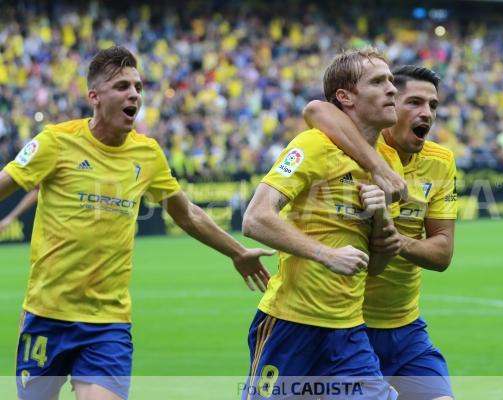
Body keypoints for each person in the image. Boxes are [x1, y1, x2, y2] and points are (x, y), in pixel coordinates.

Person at [0, 45, 274, 400]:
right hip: (45, 315)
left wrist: (237, 252)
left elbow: (187, 214)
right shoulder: (55, 141)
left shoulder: (148, 154)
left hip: (107, 325)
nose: (133, 94)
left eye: (138, 87)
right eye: (122, 87)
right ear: (94, 97)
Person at [240, 48, 402, 399]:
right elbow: (256, 218)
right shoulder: (312, 145)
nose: (392, 89)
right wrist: (324, 254)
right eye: (378, 81)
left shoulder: (389, 166)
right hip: (291, 325)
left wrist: (380, 220)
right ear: (344, 97)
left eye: (391, 80)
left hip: (349, 333)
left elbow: (376, 265)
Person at [303, 65, 457, 400]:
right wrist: (377, 167)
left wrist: (396, 242)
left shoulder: (441, 161)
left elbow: (443, 252)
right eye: (414, 102)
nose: (426, 113)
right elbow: (316, 109)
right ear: (388, 106)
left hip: (406, 325)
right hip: (349, 325)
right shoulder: (359, 144)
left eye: (433, 106)